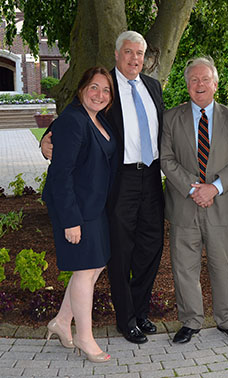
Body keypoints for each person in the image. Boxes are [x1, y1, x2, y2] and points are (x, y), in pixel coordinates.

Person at [41, 31, 164, 344]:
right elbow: (75, 113)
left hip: (151, 176)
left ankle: (141, 312)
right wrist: (47, 139)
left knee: (151, 247)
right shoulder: (103, 85)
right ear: (116, 53)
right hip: (119, 180)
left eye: (139, 53)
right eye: (128, 52)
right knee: (121, 251)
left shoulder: (152, 85)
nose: (134, 59)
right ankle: (126, 320)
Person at [161, 57, 228, 344]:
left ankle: (227, 320)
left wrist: (214, 188)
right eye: (194, 80)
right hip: (184, 206)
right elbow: (167, 158)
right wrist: (194, 188)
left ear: (215, 84)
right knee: (184, 267)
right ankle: (190, 321)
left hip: (221, 207)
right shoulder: (171, 117)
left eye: (205, 79)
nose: (200, 84)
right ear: (187, 85)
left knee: (223, 267)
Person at [43, 66, 116, 362]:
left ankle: (62, 321)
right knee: (86, 271)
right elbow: (60, 175)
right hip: (75, 209)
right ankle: (85, 339)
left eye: (106, 90)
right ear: (82, 88)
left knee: (95, 268)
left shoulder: (98, 120)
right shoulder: (72, 121)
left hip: (94, 208)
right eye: (94, 87)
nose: (100, 94)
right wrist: (71, 220)